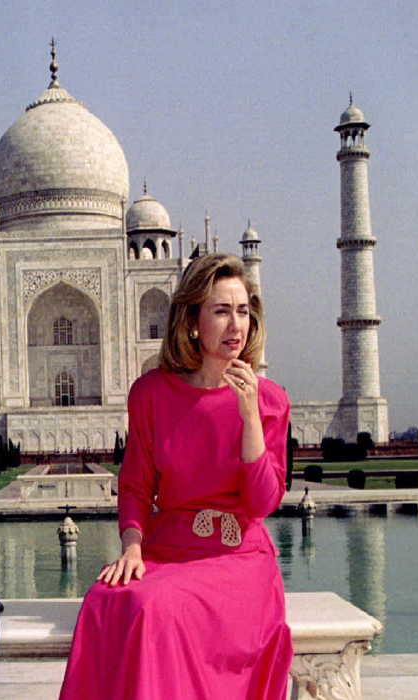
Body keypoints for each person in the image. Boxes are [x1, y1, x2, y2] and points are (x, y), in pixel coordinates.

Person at [59, 253, 293, 700]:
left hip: (238, 559)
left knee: (153, 608)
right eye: (221, 311)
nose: (235, 325)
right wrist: (131, 545)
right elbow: (135, 484)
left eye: (242, 311)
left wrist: (249, 418)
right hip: (167, 550)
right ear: (191, 321)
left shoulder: (269, 400)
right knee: (105, 602)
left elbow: (263, 503)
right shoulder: (151, 394)